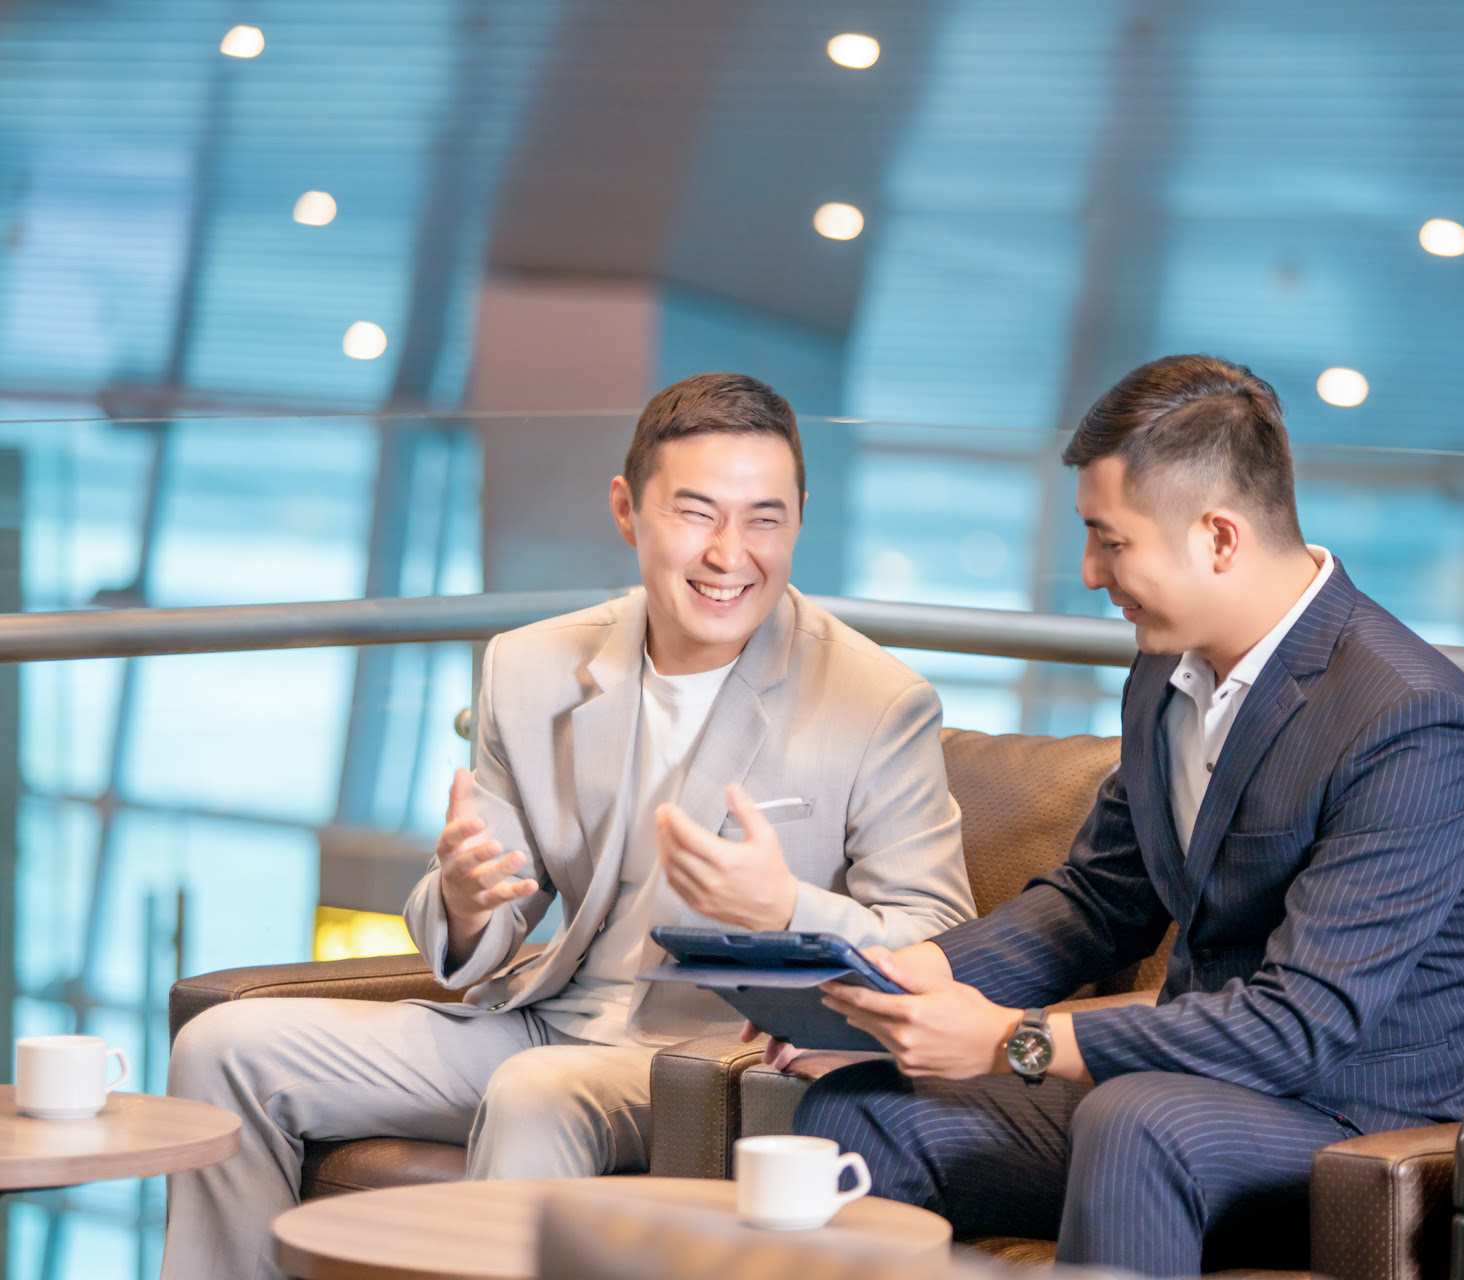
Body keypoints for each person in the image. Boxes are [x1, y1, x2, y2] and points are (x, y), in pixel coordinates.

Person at [163, 372, 976, 1280]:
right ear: (628, 510)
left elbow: (940, 938)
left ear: (799, 520)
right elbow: (486, 912)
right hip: (549, 1022)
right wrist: (468, 901)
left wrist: (789, 909)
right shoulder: (532, 666)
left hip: (719, 1058)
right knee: (224, 1048)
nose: (729, 554)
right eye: (696, 513)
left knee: (535, 1092)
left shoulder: (877, 701)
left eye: (764, 519)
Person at [792, 354, 1464, 1276]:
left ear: (1219, 537)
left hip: (1377, 1130)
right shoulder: (1162, 671)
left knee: (1136, 1120)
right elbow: (1099, 902)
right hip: (1193, 1098)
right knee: (857, 1112)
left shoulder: (1411, 717)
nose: (1088, 572)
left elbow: (1302, 1025)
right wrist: (907, 976)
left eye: (1111, 542)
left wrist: (1013, 1040)